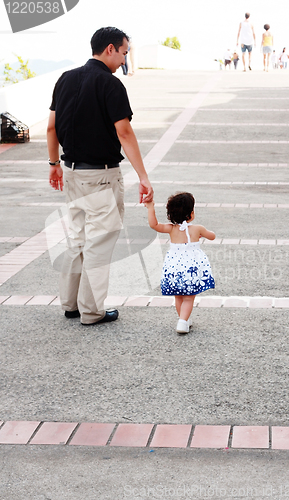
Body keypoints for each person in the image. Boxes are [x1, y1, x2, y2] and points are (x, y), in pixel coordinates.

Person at [47, 27, 153, 326]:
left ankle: (70, 304)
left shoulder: (65, 78)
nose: (123, 59)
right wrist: (143, 176)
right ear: (110, 49)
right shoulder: (111, 85)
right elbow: (124, 131)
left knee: (77, 239)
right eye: (123, 52)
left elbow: (51, 127)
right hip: (102, 177)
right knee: (99, 242)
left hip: (71, 172)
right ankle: (92, 311)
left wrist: (54, 162)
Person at [145, 192, 215, 334]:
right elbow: (212, 236)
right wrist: (202, 234)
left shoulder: (171, 228)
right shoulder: (197, 228)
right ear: (191, 214)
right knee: (189, 297)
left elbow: (154, 225)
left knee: (179, 295)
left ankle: (184, 319)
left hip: (174, 267)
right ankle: (182, 322)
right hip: (191, 269)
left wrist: (150, 207)